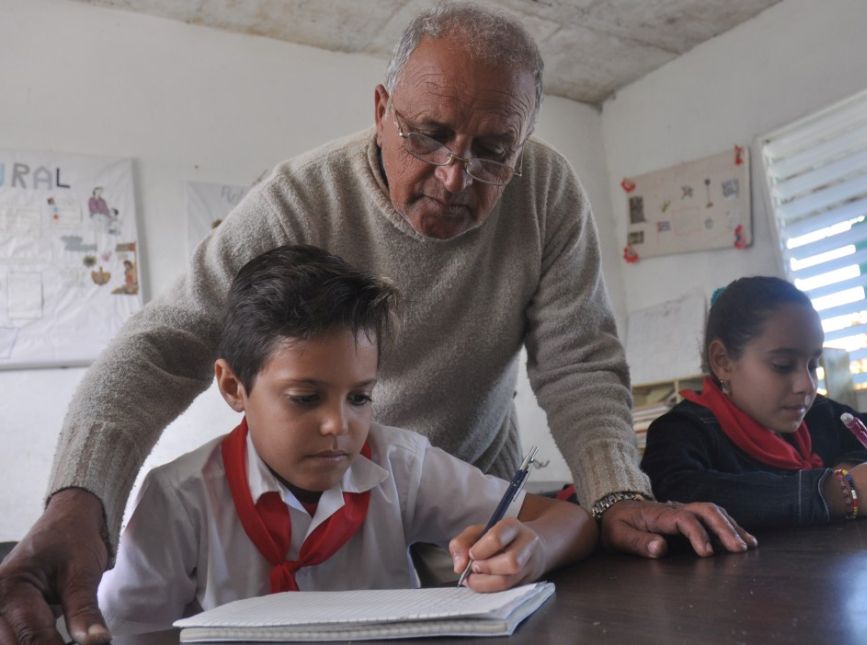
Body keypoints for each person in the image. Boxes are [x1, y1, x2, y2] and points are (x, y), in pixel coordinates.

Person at [0, 4, 754, 644]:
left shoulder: (546, 192)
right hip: (349, 530)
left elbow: (580, 363)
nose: (456, 176)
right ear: (380, 112)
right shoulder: (298, 202)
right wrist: (80, 500)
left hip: (478, 532)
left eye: (494, 151)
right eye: (429, 134)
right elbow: (160, 348)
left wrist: (615, 494)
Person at [97, 244, 597, 633]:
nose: (339, 426)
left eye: (359, 398)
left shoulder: (399, 465)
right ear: (233, 387)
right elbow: (132, 633)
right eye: (304, 397)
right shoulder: (178, 499)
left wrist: (533, 548)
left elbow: (571, 521)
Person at [641, 276, 867, 528]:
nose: (807, 385)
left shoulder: (818, 414)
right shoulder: (681, 431)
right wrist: (837, 492)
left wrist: (849, 465)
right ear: (722, 361)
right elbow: (675, 497)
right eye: (783, 365)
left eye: (812, 365)